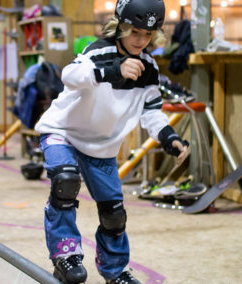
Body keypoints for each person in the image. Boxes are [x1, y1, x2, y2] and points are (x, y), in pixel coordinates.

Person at [34, 0, 189, 283]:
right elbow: (69, 75)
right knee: (65, 183)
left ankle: (115, 271)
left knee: (113, 213)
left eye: (147, 35)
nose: (140, 41)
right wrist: (111, 70)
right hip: (63, 132)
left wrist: (170, 139)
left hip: (100, 146)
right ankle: (65, 256)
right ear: (120, 26)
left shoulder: (149, 68)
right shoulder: (98, 50)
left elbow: (152, 113)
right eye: (135, 32)